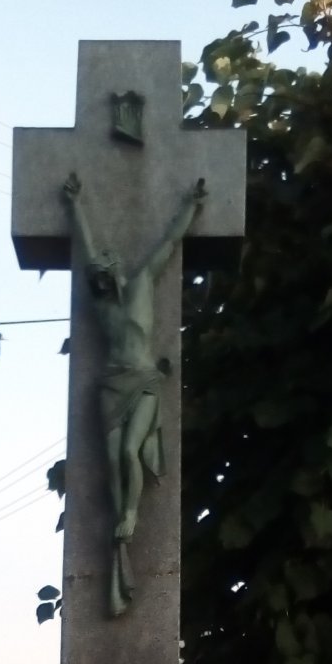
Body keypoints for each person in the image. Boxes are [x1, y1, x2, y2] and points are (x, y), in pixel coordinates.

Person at [62, 171, 207, 616]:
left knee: (129, 452)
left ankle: (131, 515)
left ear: (115, 269)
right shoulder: (102, 307)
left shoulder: (143, 284)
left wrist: (191, 206)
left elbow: (169, 242)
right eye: (96, 276)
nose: (99, 277)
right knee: (111, 461)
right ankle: (118, 527)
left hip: (143, 381)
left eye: (103, 271)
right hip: (110, 385)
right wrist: (75, 206)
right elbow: (85, 248)